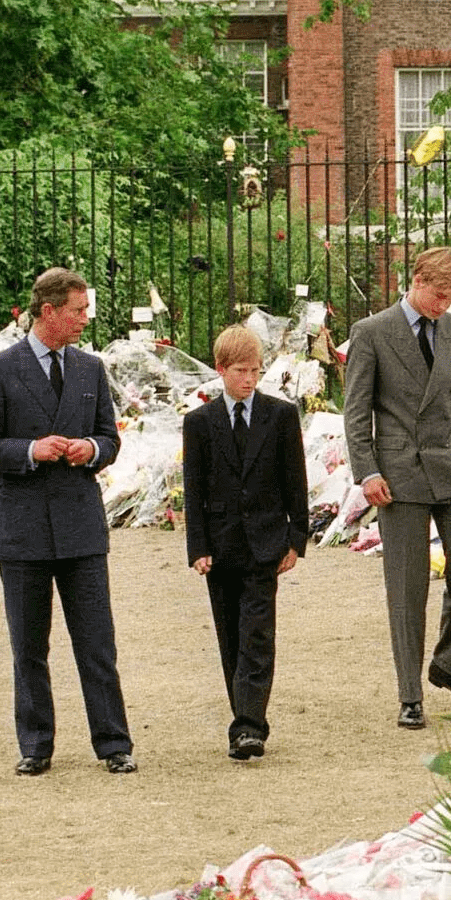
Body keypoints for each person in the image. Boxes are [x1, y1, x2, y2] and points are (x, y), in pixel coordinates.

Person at [0, 268, 136, 775]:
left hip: (80, 525)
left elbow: (111, 438)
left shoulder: (90, 369)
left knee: (97, 643)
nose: (85, 320)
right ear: (48, 312)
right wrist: (30, 450)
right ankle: (36, 745)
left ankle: (114, 744)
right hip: (21, 529)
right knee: (29, 647)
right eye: (78, 311)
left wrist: (94, 448)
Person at [342, 248, 451, 729]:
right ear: (418, 280)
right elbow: (356, 411)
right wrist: (366, 473)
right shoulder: (371, 333)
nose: (444, 306)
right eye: (440, 296)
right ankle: (410, 694)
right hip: (398, 476)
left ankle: (446, 663)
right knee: (407, 590)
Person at [182, 325, 308, 761]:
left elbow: (296, 479)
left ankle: (250, 726)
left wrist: (297, 537)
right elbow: (193, 489)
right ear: (220, 370)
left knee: (257, 635)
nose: (250, 379)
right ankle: (244, 718)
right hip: (219, 547)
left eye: (256, 370)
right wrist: (197, 547)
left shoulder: (280, 415)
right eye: (240, 371)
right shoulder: (199, 423)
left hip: (265, 545)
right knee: (230, 637)